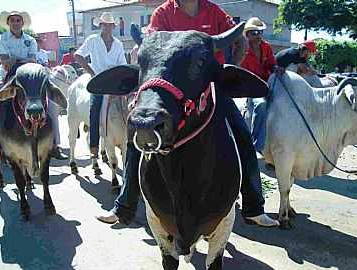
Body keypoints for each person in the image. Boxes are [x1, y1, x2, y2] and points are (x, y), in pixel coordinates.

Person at [97, 0, 279, 227]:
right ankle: (125, 205)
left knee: (242, 135)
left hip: (205, 86)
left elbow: (239, 40)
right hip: (170, 91)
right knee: (138, 134)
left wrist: (227, 67)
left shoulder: (214, 12)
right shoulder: (163, 13)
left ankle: (253, 206)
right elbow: (152, 49)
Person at [0, 11, 37, 165]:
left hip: (28, 78)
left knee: (51, 103)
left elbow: (34, 60)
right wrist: (23, 60)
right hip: (6, 78)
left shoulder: (31, 40)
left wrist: (15, 59)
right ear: (8, 23)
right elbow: (6, 63)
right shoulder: (1, 38)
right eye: (12, 20)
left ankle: (54, 144)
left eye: (18, 20)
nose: (15, 22)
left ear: (22, 23)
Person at [74, 12, 127, 159]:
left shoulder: (118, 44)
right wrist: (91, 72)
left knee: (126, 104)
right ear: (101, 25)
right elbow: (78, 55)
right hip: (97, 80)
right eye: (105, 24)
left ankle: (127, 137)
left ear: (113, 26)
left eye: (110, 25)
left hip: (113, 80)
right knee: (95, 107)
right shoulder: (92, 40)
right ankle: (94, 145)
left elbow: (122, 64)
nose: (107, 27)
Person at [240, 17, 275, 153]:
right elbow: (241, 73)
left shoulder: (266, 47)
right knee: (261, 105)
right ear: (247, 35)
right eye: (254, 32)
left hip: (266, 84)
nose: (258, 35)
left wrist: (276, 68)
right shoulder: (241, 49)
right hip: (250, 87)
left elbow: (271, 64)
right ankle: (255, 147)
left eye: (260, 32)